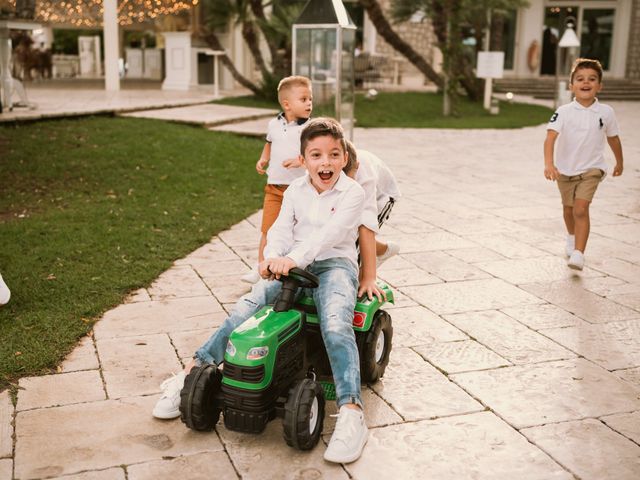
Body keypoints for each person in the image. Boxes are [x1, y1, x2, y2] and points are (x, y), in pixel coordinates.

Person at [154, 118, 373, 464]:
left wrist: (291, 259)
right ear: (303, 160)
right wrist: (272, 257)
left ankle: (350, 411)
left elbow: (329, 235)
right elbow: (281, 229)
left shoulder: (353, 193)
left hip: (334, 264)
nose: (325, 162)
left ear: (344, 157)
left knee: (334, 323)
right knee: (247, 308)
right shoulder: (295, 192)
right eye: (316, 155)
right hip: (290, 262)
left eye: (333, 154)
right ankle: (190, 371)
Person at [543, 58, 624, 270]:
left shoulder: (606, 112)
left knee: (581, 208)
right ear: (572, 86)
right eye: (580, 79)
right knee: (568, 210)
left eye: (592, 79)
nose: (585, 83)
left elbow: (613, 138)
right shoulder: (563, 111)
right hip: (565, 170)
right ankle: (571, 237)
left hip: (592, 169)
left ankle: (579, 253)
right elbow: (550, 138)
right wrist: (549, 164)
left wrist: (619, 162)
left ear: (599, 85)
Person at [241, 75, 313, 284]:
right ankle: (261, 267)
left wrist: (301, 161)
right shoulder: (274, 124)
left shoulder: (309, 128)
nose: (309, 103)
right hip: (274, 188)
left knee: (298, 231)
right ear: (287, 104)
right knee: (268, 229)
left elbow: (314, 153)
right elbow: (269, 144)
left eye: (310, 99)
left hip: (300, 190)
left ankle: (294, 266)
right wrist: (264, 158)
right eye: (304, 99)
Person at [343, 141, 400, 268]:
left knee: (356, 238)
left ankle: (362, 281)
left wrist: (368, 278)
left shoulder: (365, 177)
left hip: (382, 196)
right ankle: (383, 251)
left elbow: (366, 225)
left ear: (356, 168)